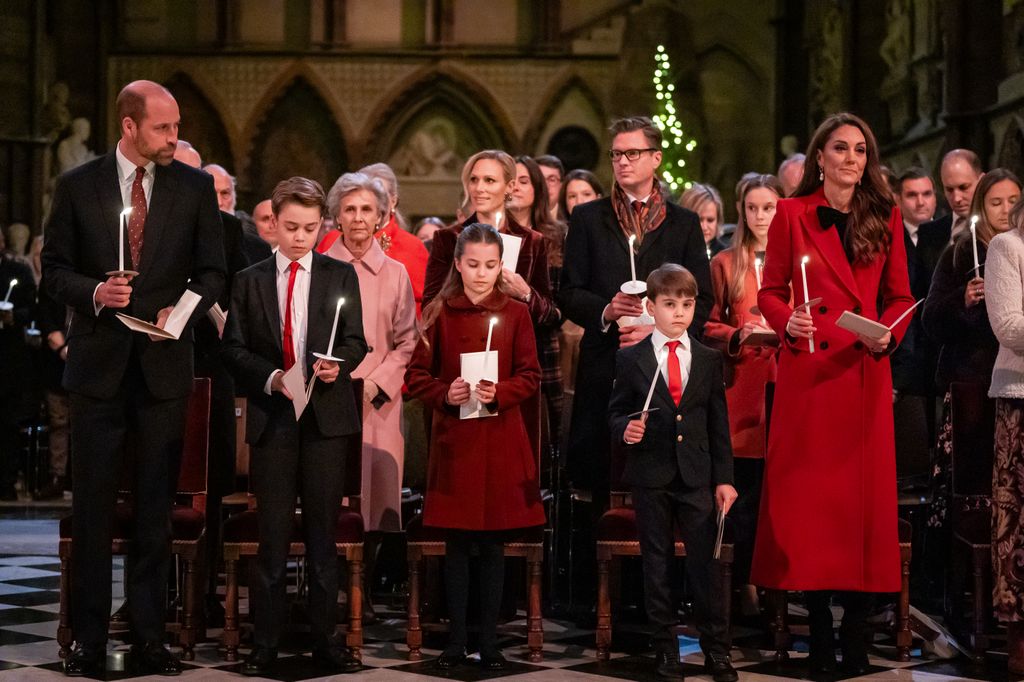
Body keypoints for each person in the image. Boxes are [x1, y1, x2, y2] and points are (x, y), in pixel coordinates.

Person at [41, 80, 225, 677]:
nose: (174, 137)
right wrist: (95, 291)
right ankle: (88, 640)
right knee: (93, 510)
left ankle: (151, 636)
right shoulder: (78, 186)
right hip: (98, 372)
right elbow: (54, 274)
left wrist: (185, 311)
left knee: (154, 511)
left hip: (163, 369)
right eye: (164, 128)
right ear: (129, 127)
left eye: (175, 127)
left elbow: (213, 272)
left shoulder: (193, 187)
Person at [750, 112, 915, 676]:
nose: (851, 158)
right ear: (819, 157)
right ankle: (819, 633)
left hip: (865, 375)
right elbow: (770, 291)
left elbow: (899, 296)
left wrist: (890, 332)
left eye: (860, 150)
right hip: (812, 377)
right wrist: (787, 322)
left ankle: (857, 635)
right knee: (812, 510)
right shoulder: (792, 214)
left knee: (861, 511)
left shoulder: (885, 215)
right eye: (840, 148)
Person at [221, 177, 367, 676]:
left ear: (322, 224)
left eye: (310, 227)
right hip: (275, 419)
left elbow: (356, 341)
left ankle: (326, 642)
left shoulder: (338, 275)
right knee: (273, 540)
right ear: (272, 224)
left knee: (324, 539)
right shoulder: (250, 279)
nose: (300, 237)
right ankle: (265, 643)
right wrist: (272, 376)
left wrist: (337, 366)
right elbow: (233, 349)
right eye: (290, 227)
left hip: (325, 418)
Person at [405, 223, 545, 671]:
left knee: (493, 548)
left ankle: (490, 640)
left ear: (501, 265)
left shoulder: (517, 313)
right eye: (473, 265)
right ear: (458, 264)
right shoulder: (440, 311)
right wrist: (447, 393)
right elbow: (416, 376)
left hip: (500, 441)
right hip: (456, 444)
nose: (481, 274)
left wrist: (499, 391)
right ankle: (456, 639)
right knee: (458, 547)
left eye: (490, 265)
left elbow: (531, 375)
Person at [559, 115, 712, 514]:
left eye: (632, 153)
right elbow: (569, 292)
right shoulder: (589, 219)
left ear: (656, 158)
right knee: (600, 490)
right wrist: (606, 310)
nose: (622, 161)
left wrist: (659, 332)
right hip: (604, 368)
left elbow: (705, 299)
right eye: (616, 154)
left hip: (665, 372)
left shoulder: (683, 224)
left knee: (660, 491)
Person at [608, 263, 737, 681]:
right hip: (651, 476)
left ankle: (717, 650)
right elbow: (614, 414)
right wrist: (626, 428)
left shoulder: (708, 358)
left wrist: (725, 479)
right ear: (651, 307)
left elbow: (719, 424)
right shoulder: (631, 359)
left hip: (697, 477)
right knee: (657, 566)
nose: (679, 313)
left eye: (686, 304)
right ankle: (665, 650)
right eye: (669, 304)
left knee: (706, 566)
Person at [324, 172, 418, 619]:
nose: (358, 218)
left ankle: (364, 594)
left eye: (367, 210)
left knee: (380, 501)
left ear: (382, 216)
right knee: (334, 497)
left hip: (380, 400)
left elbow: (407, 340)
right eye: (349, 209)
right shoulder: (320, 264)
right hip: (330, 396)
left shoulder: (396, 273)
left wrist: (378, 382)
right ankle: (335, 593)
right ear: (336, 216)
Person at [424, 150, 557, 460]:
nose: (480, 188)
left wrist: (524, 293)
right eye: (474, 179)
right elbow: (430, 306)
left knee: (509, 464)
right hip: (457, 364)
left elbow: (550, 314)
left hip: (512, 371)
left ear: (509, 187)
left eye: (489, 180)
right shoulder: (447, 239)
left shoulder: (532, 242)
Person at [922, 168, 1020, 566]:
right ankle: (957, 571)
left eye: (1012, 201)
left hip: (1014, 377)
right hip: (971, 380)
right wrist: (961, 300)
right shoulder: (963, 251)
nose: (1004, 210)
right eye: (995, 202)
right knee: (969, 482)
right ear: (982, 206)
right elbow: (930, 319)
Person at [703, 173, 782, 615]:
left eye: (768, 208)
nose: (760, 216)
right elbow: (708, 324)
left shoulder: (793, 262)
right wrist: (738, 333)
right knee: (743, 493)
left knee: (778, 492)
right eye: (752, 208)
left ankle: (773, 582)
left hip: (783, 386)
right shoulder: (726, 262)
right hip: (741, 390)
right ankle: (742, 585)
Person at [985, 198, 1024, 674]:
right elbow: (1010, 327)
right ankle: (1019, 638)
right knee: (1018, 530)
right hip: (1021, 398)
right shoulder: (1007, 246)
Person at [508, 156, 566, 454]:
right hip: (499, 353)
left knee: (542, 446)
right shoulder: (488, 234)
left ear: (537, 189)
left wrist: (525, 294)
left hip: (541, 351)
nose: (515, 187)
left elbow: (558, 313)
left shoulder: (555, 239)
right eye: (510, 180)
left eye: (523, 181)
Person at [891, 167, 941, 487]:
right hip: (906, 363)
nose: (921, 202)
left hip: (939, 357)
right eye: (912, 195)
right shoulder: (891, 237)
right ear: (898, 199)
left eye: (927, 194)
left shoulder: (947, 235)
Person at [0, 247, 36, 501]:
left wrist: (14, 316)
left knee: (8, 422)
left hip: (8, 359)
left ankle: (7, 481)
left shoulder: (18, 271)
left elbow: (33, 308)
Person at [917, 149, 985, 258]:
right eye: (949, 190)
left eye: (964, 187)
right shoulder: (928, 234)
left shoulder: (1001, 224)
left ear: (982, 180)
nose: (956, 198)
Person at [680, 183, 726, 256]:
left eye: (710, 220)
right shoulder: (670, 251)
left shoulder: (725, 257)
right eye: (699, 220)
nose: (704, 227)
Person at [536, 154, 565, 221]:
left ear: (561, 186)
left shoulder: (572, 220)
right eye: (541, 179)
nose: (545, 185)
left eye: (552, 180)